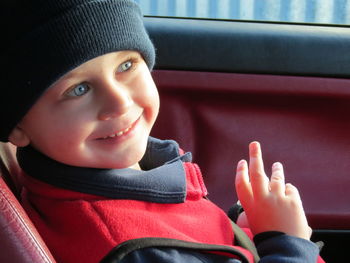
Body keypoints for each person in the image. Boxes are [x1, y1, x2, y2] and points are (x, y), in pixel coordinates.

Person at [1, 0, 323, 262]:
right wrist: (288, 244)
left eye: (126, 66)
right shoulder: (137, 250)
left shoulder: (114, 183)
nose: (120, 102)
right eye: (78, 89)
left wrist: (240, 233)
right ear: (17, 126)